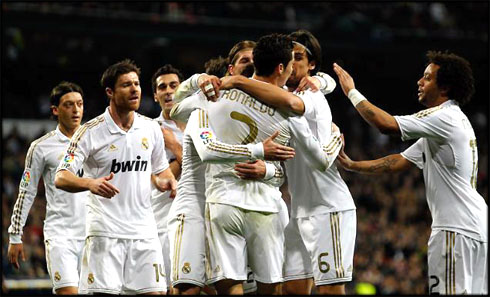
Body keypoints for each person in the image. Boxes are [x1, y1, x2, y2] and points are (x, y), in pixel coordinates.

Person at [333, 51, 488, 294]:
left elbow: (385, 124)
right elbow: (399, 161)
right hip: (476, 227)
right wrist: (352, 165)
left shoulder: (442, 117)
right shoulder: (453, 121)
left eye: (427, 78)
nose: (420, 82)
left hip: (455, 229)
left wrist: (351, 92)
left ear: (444, 87)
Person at [54, 59, 177, 295]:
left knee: (158, 292)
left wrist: (166, 180)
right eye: (126, 85)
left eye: (137, 84)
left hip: (144, 231)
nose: (134, 89)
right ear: (110, 92)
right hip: (106, 233)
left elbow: (160, 169)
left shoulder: (150, 128)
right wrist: (90, 183)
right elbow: (61, 177)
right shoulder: (89, 132)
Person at [7, 82, 86, 295]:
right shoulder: (41, 147)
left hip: (94, 235)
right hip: (60, 235)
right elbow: (26, 191)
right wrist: (15, 235)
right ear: (55, 110)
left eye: (79, 104)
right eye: (69, 105)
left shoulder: (95, 141)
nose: (76, 110)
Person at [150, 64, 186, 294]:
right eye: (162, 87)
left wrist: (175, 147)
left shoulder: (200, 122)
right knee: (173, 287)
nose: (168, 91)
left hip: (201, 213)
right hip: (165, 216)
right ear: (155, 96)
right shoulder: (151, 129)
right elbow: (161, 180)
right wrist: (189, 158)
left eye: (173, 85)